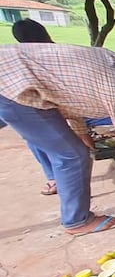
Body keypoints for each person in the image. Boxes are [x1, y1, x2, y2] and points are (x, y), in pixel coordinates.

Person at [0, 43, 115, 235]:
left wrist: (82, 133)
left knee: (77, 151)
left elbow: (72, 96)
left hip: (12, 73)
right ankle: (77, 221)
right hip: (15, 85)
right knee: (73, 156)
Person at [10, 19, 59, 195]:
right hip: (46, 107)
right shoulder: (24, 59)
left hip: (62, 107)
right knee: (36, 139)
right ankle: (54, 177)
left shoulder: (53, 54)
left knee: (38, 139)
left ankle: (54, 177)